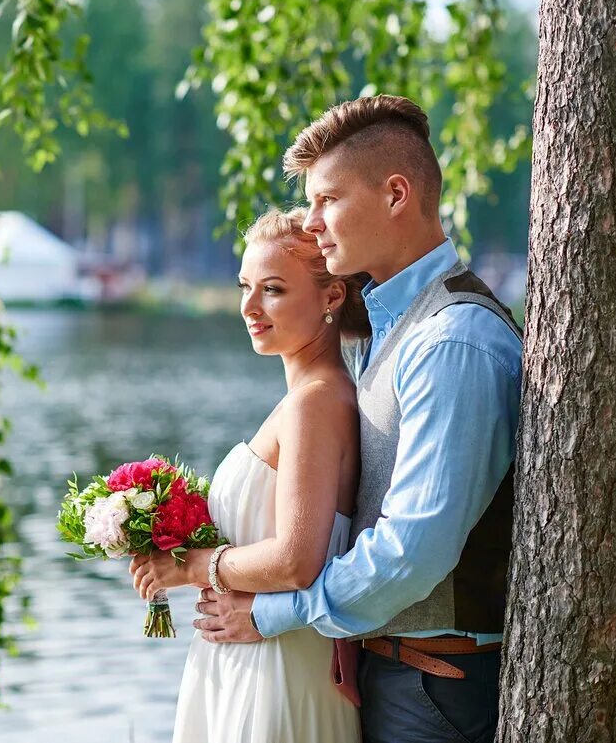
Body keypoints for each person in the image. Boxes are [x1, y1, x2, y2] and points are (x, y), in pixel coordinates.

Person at [169, 95, 523, 743]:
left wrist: (281, 614)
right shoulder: (389, 336)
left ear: (396, 194)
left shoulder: (453, 339)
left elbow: (411, 553)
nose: (312, 219)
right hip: (391, 674)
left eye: (328, 198)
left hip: (435, 686)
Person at [131, 206, 369, 742]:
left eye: (274, 290)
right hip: (247, 654)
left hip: (281, 666)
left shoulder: (318, 402)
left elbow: (296, 560)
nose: (249, 306)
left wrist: (190, 567)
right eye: (245, 286)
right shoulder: (303, 399)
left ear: (332, 297)